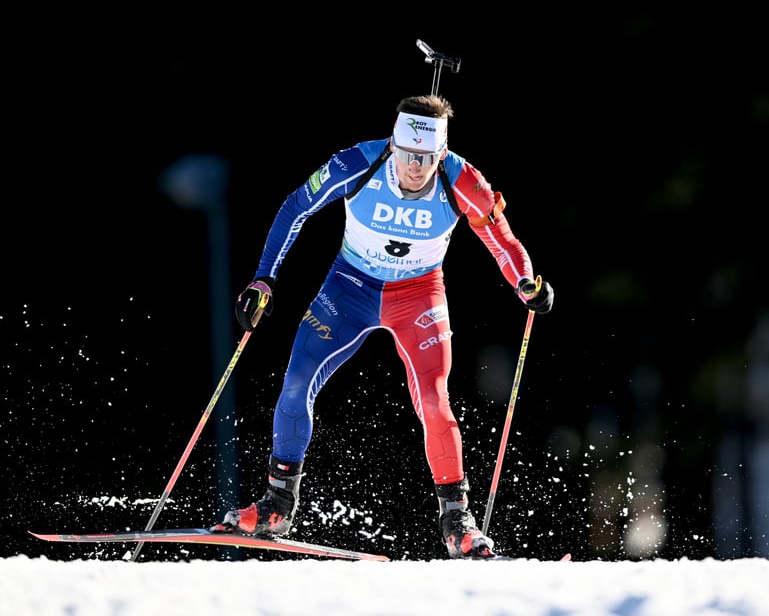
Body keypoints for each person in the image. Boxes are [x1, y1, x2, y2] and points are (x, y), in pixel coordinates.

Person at [213, 94, 554, 559]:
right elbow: (296, 207)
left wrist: (525, 281)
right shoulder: (359, 162)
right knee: (295, 383)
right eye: (408, 155)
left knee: (434, 397)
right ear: (393, 146)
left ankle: (459, 522)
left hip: (419, 294)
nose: (416, 168)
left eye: (427, 158)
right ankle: (277, 505)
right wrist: (263, 279)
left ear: (442, 153)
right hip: (349, 287)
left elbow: (502, 240)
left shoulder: (463, 181)